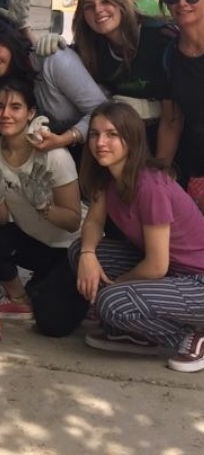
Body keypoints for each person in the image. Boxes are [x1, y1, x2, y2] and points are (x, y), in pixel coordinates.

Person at [74, 101, 204, 372]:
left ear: (131, 139)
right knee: (81, 252)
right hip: (171, 273)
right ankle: (140, 332)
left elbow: (157, 266)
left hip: (197, 281)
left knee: (113, 303)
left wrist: (114, 287)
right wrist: (87, 254)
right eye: (95, 134)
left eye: (111, 134)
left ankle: (190, 336)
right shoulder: (108, 177)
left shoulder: (149, 185)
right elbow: (95, 221)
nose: (100, 142)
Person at [0, 79, 82, 320]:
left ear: (31, 113)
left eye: (15, 107)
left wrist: (43, 206)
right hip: (34, 242)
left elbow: (73, 221)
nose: (6, 114)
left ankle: (82, 293)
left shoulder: (53, 156)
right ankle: (19, 298)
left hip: (71, 247)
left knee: (53, 320)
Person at [72, 0, 181, 163]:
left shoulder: (158, 36)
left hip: (167, 138)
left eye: (106, 1)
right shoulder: (92, 48)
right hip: (120, 140)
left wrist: (162, 168)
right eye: (89, 6)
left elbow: (173, 117)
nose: (98, 10)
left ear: (121, 3)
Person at [0, 18, 106, 153]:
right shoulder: (3, 83)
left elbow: (104, 112)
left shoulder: (54, 60)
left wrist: (65, 139)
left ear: (9, 42)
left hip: (92, 154)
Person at [159, 0, 204, 202]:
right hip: (194, 167)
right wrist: (161, 171)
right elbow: (171, 120)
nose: (182, 3)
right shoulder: (169, 56)